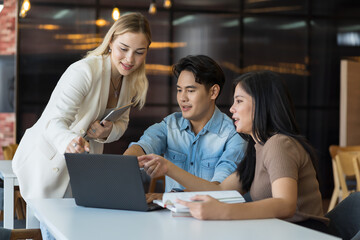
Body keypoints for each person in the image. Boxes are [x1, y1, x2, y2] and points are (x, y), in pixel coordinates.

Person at [139, 70, 330, 233]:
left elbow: (285, 204)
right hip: (279, 231)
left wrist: (223, 211)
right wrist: (168, 174)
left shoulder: (279, 144)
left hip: (304, 233)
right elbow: (220, 190)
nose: (231, 109)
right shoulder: (257, 148)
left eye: (239, 101)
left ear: (262, 104)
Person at [12, 12, 152, 200]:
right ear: (110, 42)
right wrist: (69, 141)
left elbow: (122, 123)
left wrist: (108, 132)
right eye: (124, 48)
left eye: (139, 52)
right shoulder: (84, 71)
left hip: (82, 166)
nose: (129, 59)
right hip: (47, 160)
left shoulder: (131, 81)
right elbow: (54, 121)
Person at [124, 55, 246, 194]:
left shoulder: (234, 135)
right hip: (170, 215)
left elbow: (219, 191)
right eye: (179, 90)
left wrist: (168, 182)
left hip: (212, 214)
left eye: (190, 90)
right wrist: (130, 160)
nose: (182, 98)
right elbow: (143, 145)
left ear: (213, 92)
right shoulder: (170, 124)